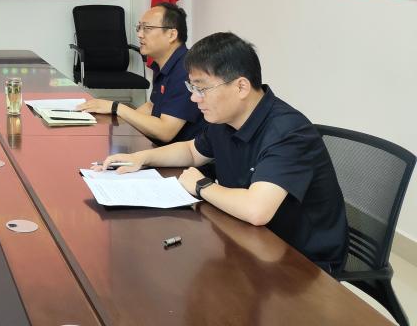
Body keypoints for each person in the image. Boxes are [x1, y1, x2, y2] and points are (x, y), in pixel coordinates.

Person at [98, 32, 347, 272]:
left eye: (202, 89)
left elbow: (257, 210)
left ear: (241, 87)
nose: (194, 99)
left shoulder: (289, 133)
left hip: (302, 264)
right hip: (249, 241)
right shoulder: (225, 118)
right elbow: (192, 151)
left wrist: (202, 186)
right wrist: (141, 158)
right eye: (191, 87)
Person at [78, 2, 202, 143]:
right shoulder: (164, 64)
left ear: (171, 34)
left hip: (183, 154)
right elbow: (151, 106)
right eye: (139, 28)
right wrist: (113, 117)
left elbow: (165, 131)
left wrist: (116, 108)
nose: (139, 34)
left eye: (147, 28)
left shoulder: (186, 70)